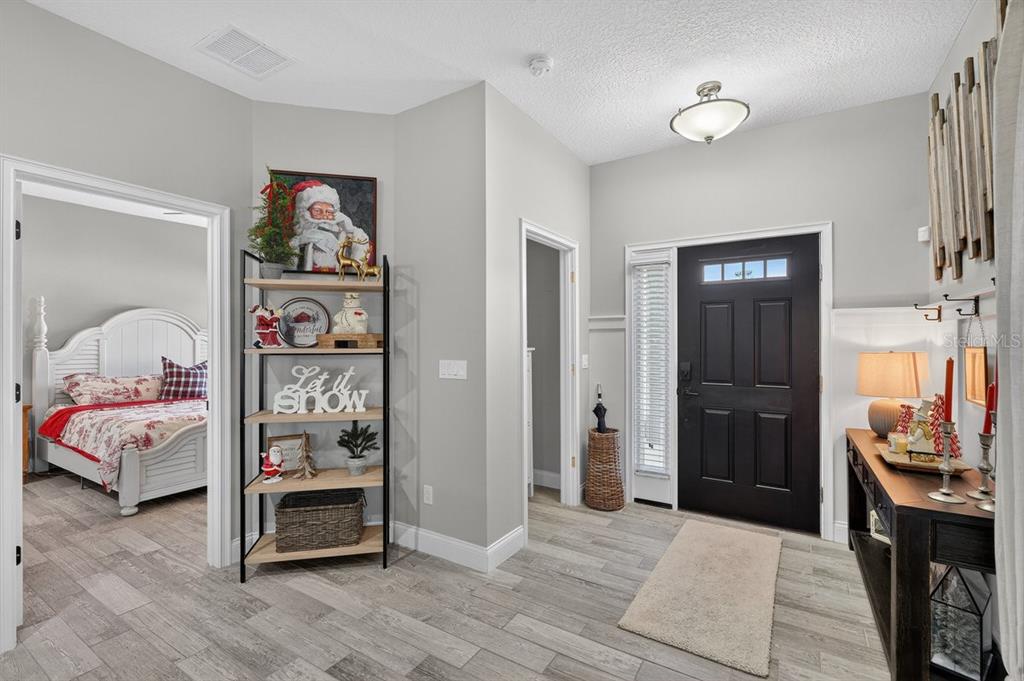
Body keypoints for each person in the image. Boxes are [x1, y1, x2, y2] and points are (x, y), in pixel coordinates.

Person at [289, 180, 370, 271]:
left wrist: (351, 231)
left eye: (329, 212)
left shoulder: (348, 236)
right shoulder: (297, 242)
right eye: (317, 211)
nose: (324, 215)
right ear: (305, 213)